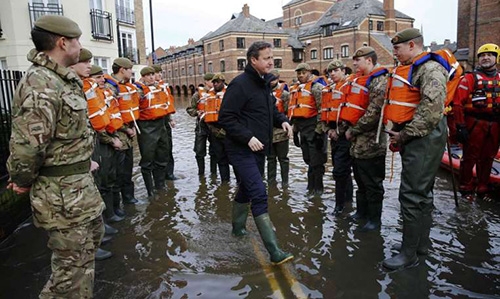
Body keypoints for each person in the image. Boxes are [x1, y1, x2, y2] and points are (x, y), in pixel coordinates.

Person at [6, 15, 105, 297]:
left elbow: (65, 135)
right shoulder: (41, 83)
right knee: (71, 270)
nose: (81, 46)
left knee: (83, 257)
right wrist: (22, 179)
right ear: (63, 42)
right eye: (77, 41)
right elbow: (28, 145)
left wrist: (84, 161)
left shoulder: (62, 79)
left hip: (78, 188)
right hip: (62, 196)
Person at [219, 41, 294, 265]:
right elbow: (226, 118)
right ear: (253, 60)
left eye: (272, 57)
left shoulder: (263, 84)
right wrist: (248, 137)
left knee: (247, 188)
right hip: (241, 149)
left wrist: (283, 121)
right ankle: (275, 252)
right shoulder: (239, 85)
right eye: (266, 58)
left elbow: (270, 109)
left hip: (260, 149)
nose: (271, 61)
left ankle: (238, 229)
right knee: (259, 192)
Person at [382, 28, 448, 270]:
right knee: (422, 192)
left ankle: (409, 253)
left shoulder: (429, 68)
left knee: (411, 194)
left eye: (397, 48)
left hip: (422, 137)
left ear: (412, 46)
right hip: (420, 135)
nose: (394, 53)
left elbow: (431, 110)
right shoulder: (417, 68)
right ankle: (420, 245)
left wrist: (403, 135)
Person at [343, 47, 388, 231]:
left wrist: (354, 130)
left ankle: (374, 220)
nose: (354, 64)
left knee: (373, 183)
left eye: (357, 60)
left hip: (372, 143)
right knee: (360, 180)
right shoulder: (359, 80)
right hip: (357, 144)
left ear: (369, 61)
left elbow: (373, 114)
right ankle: (361, 213)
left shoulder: (379, 82)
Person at [452, 43, 500, 201]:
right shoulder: (470, 78)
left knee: (488, 157)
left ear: (496, 58)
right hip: (475, 124)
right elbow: (458, 104)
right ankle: (466, 189)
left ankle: (482, 188)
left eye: (490, 55)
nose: (485, 58)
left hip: (495, 125)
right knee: (470, 157)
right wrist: (460, 126)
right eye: (482, 56)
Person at [89, 64, 122, 237]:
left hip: (108, 141)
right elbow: (95, 124)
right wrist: (111, 140)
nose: (103, 80)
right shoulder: (90, 94)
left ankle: (110, 215)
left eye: (102, 77)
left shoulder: (101, 95)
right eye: (98, 77)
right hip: (99, 144)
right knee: (101, 183)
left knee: (110, 179)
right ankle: (104, 220)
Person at [104, 57, 140, 205]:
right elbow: (111, 114)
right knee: (117, 172)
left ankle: (128, 198)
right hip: (117, 135)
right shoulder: (109, 88)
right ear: (122, 70)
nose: (132, 71)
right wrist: (126, 129)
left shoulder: (126, 86)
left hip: (128, 135)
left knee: (127, 169)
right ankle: (116, 206)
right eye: (130, 69)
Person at [320, 59, 354, 215]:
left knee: (340, 170)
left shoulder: (350, 87)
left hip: (345, 135)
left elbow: (352, 112)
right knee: (340, 169)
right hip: (333, 135)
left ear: (343, 71)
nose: (332, 74)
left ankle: (340, 205)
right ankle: (347, 201)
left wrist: (338, 131)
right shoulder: (329, 90)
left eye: (335, 70)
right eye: (330, 72)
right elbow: (324, 113)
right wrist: (328, 130)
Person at [288, 63, 327, 196]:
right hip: (302, 127)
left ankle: (318, 189)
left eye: (303, 73)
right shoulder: (297, 89)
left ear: (309, 73)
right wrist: (294, 132)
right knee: (308, 159)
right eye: (298, 73)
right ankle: (310, 187)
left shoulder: (317, 88)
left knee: (317, 160)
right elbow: (296, 113)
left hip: (314, 127)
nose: (300, 76)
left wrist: (319, 131)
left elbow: (322, 109)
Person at [133, 66, 170, 196]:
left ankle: (160, 185)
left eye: (152, 75)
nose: (151, 77)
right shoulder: (138, 90)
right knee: (148, 159)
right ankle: (150, 190)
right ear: (142, 77)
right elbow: (132, 108)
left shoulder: (159, 88)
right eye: (148, 75)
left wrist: (169, 119)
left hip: (160, 125)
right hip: (146, 127)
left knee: (162, 155)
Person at [186, 73, 217, 176]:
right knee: (199, 151)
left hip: (214, 126)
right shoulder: (197, 95)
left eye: (215, 82)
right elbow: (190, 109)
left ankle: (214, 173)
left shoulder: (218, 93)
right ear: (206, 82)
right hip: (201, 126)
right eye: (211, 81)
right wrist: (197, 112)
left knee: (215, 151)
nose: (213, 84)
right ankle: (201, 174)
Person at [153, 64, 178, 180]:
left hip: (165, 120)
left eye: (160, 72)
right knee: (157, 149)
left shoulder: (164, 87)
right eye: (156, 73)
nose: (159, 75)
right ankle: (159, 176)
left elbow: (168, 104)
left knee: (168, 147)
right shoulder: (147, 88)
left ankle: (169, 173)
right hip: (154, 122)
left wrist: (171, 119)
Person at [205, 73, 231, 182]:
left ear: (223, 82)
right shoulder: (208, 95)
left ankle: (240, 183)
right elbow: (206, 115)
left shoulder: (230, 94)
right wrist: (213, 130)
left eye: (218, 82)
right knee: (220, 158)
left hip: (229, 131)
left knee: (234, 158)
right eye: (214, 82)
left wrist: (228, 130)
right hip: (214, 131)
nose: (215, 84)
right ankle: (225, 182)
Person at [267, 69, 290, 187]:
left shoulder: (285, 94)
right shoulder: (263, 92)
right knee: (270, 159)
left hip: (281, 131)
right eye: (270, 79)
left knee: (283, 158)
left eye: (274, 79)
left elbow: (287, 111)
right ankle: (271, 183)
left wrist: (286, 124)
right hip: (268, 131)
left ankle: (285, 183)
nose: (272, 81)